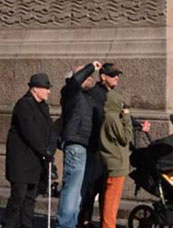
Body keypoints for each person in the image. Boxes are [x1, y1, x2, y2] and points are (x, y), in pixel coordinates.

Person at [78, 63, 149, 228]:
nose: (116, 77)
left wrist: (137, 125)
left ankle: (104, 221)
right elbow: (115, 121)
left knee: (106, 191)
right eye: (112, 75)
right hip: (98, 148)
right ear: (103, 76)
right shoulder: (95, 94)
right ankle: (84, 220)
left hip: (108, 150)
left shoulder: (113, 95)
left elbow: (122, 116)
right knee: (91, 188)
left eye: (117, 74)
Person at [3, 73, 55, 228]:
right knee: (18, 199)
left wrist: (51, 146)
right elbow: (30, 132)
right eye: (46, 88)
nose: (48, 91)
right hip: (21, 163)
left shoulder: (43, 106)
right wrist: (45, 150)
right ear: (35, 89)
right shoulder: (24, 105)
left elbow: (50, 129)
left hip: (36, 163)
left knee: (30, 200)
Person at [56, 61, 101, 228]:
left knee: (81, 190)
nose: (90, 78)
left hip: (89, 146)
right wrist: (90, 67)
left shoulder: (88, 97)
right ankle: (64, 224)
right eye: (86, 76)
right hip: (76, 144)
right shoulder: (70, 91)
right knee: (72, 188)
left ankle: (72, 222)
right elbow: (76, 81)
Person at [98, 89, 133, 228]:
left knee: (110, 199)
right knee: (111, 201)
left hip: (112, 161)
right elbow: (125, 138)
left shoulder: (108, 116)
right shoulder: (112, 117)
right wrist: (127, 118)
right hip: (116, 163)